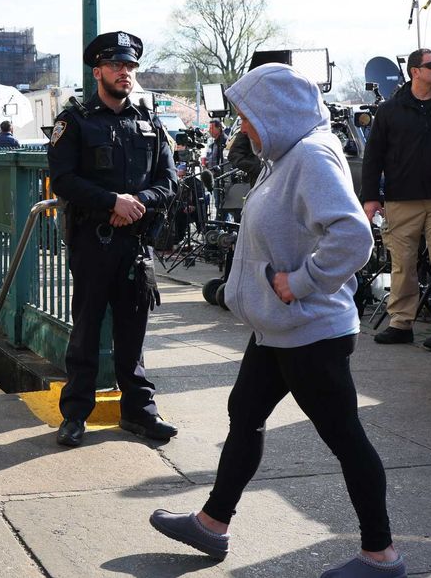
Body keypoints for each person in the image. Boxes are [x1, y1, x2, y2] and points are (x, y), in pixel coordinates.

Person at [150, 63, 405, 578]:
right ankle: (211, 523)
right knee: (244, 412)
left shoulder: (310, 156)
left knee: (344, 437)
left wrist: (301, 281)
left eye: (248, 116)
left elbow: (353, 236)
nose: (242, 126)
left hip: (309, 330)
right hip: (278, 327)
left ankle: (381, 556)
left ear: (276, 111)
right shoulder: (286, 155)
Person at [47, 30, 178, 447]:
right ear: (98, 70)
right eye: (117, 66)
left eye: (130, 66)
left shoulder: (149, 122)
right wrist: (111, 203)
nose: (125, 73)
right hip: (93, 241)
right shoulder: (76, 122)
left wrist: (136, 202)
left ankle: (140, 413)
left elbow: (169, 181)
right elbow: (63, 180)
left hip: (135, 244)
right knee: (86, 328)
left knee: (133, 330)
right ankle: (75, 416)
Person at [362, 48, 431, 352]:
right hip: (401, 199)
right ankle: (400, 324)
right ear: (415, 71)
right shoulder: (389, 110)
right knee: (402, 264)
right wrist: (371, 197)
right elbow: (373, 157)